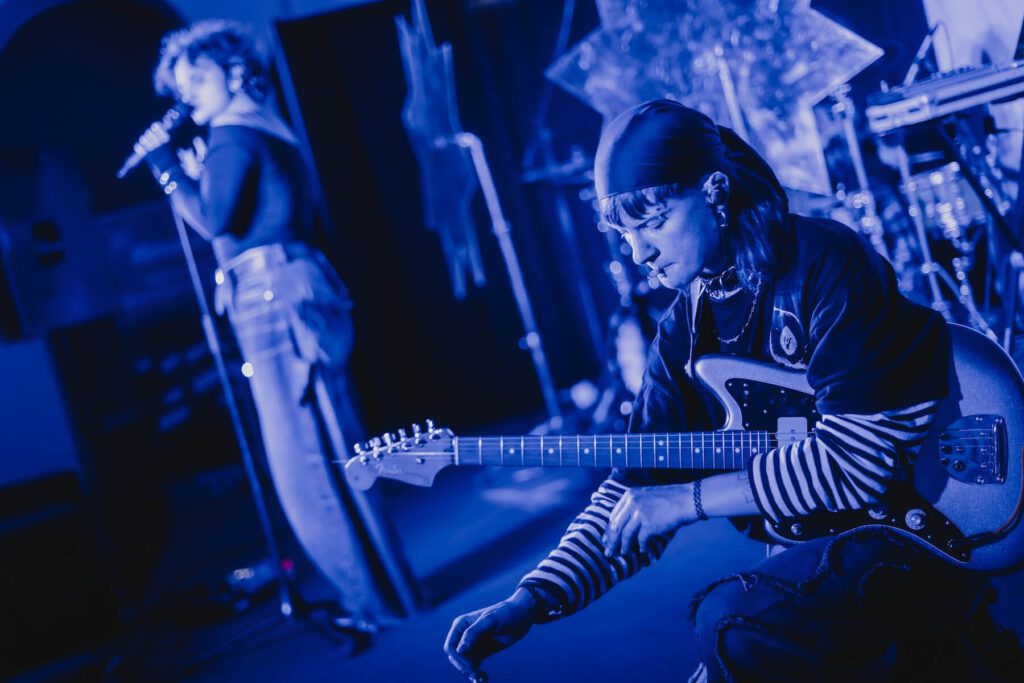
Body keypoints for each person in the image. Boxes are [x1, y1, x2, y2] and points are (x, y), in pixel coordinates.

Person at [444, 100, 1023, 681]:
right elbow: (636, 487)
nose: (639, 253)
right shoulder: (685, 326)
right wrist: (532, 598)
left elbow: (859, 463)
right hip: (825, 544)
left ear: (715, 191)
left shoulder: (825, 261)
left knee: (730, 621)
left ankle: (949, 640)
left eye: (653, 222)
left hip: (923, 526)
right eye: (624, 233)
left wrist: (687, 500)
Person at [134, 19, 412, 624]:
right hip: (297, 282)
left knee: (300, 461)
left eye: (198, 78)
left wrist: (166, 168)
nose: (188, 96)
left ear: (234, 72)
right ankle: (386, 594)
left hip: (269, 297)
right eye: (181, 87)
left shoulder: (231, 135)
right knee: (332, 444)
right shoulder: (262, 126)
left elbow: (216, 221)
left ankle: (368, 602)